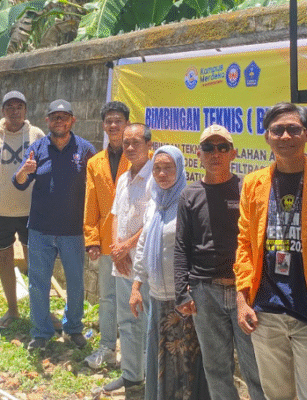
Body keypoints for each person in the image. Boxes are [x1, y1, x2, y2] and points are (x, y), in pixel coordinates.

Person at [235, 102, 307, 400]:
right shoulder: (253, 184)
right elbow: (244, 244)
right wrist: (242, 298)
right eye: (277, 130)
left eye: (293, 129)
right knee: (277, 396)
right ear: (267, 137)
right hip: (266, 311)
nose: (285, 136)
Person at [174, 125, 264, 400]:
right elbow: (181, 246)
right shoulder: (189, 195)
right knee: (216, 369)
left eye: (222, 147)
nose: (216, 154)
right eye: (209, 148)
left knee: (256, 368)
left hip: (245, 292)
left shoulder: (246, 189)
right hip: (205, 292)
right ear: (199, 154)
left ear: (233, 154)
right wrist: (181, 292)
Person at [13, 99, 96, 350]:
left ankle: (73, 328)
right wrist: (24, 171)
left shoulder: (85, 150)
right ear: (47, 121)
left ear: (73, 121)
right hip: (41, 228)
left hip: (73, 230)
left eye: (64, 117)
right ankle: (41, 333)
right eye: (55, 117)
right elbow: (18, 182)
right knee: (38, 284)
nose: (59, 121)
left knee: (75, 283)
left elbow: (95, 186)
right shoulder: (37, 148)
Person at [130, 145, 209, 400]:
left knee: (185, 360)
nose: (162, 174)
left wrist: (191, 289)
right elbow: (143, 245)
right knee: (160, 357)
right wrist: (136, 285)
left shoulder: (189, 201)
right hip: (157, 296)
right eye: (157, 168)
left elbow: (197, 249)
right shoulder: (154, 202)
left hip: (183, 299)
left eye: (168, 168)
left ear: (180, 169)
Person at [0, 90, 45, 328]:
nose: (15, 112)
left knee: (35, 263)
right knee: (4, 260)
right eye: (10, 107)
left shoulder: (36, 135)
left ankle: (40, 310)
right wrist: (1, 186)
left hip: (31, 211)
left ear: (25, 110)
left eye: (19, 107)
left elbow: (44, 166)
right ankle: (12, 309)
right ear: (2, 111)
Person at [83, 101, 131, 381]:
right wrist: (91, 238)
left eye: (118, 121)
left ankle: (134, 355)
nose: (113, 126)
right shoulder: (95, 163)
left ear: (127, 124)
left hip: (132, 241)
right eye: (109, 121)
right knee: (107, 297)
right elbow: (91, 203)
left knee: (132, 298)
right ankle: (106, 349)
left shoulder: (141, 157)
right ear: (103, 126)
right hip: (104, 241)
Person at [108, 123, 153, 397]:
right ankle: (131, 376)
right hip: (122, 263)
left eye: (137, 142)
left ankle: (150, 381)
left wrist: (126, 247)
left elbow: (153, 221)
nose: (131, 147)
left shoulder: (155, 178)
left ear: (149, 145)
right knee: (126, 322)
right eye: (126, 143)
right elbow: (116, 214)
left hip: (144, 266)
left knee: (146, 324)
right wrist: (116, 250)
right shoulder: (124, 178)